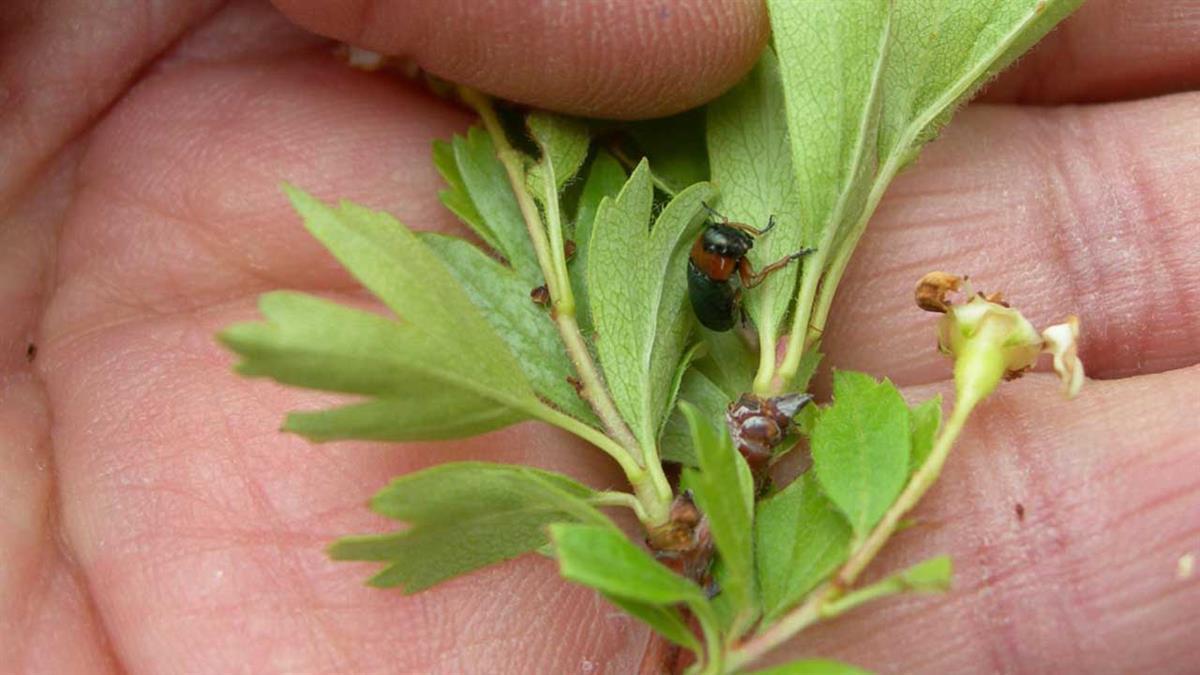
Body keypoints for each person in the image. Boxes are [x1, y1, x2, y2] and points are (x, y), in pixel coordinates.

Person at [1, 0, 1197, 672]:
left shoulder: (723, 267)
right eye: (726, 252)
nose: (724, 256)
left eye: (725, 253)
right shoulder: (717, 271)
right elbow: (713, 274)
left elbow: (719, 268)